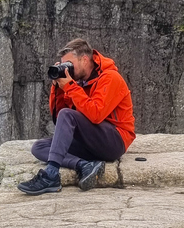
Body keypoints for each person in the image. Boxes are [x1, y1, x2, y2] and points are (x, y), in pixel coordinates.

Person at [18, 38, 135, 196]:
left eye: (69, 65)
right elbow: (60, 117)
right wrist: (58, 89)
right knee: (39, 147)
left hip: (114, 141)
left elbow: (95, 115)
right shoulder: (79, 83)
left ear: (85, 59)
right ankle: (84, 165)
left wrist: (70, 87)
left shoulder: (110, 78)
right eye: (63, 65)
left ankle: (51, 175)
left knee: (68, 116)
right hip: (91, 142)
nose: (67, 70)